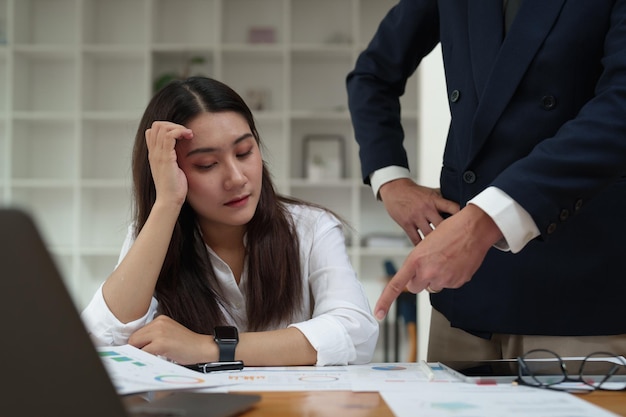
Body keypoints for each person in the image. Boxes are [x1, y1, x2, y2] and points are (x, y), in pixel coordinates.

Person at [346, 0, 626, 362]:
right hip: (463, 297)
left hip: (579, 288)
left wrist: (484, 222)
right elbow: (372, 74)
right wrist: (391, 179)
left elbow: (618, 109)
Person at [81, 76, 378, 367]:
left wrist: (209, 347)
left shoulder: (311, 227)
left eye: (244, 152)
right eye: (207, 165)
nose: (237, 178)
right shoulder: (154, 233)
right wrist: (167, 201)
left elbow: (357, 333)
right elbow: (101, 340)